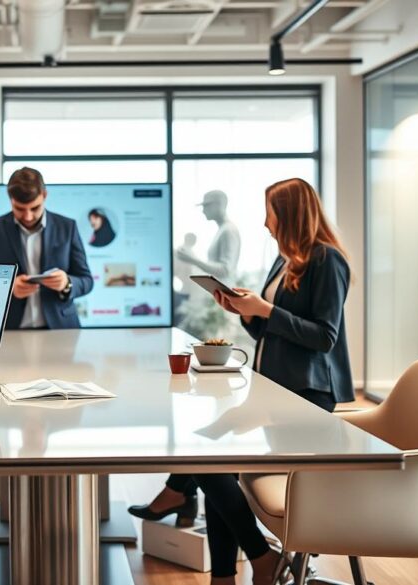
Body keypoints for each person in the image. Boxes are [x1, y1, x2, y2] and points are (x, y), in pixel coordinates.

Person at [129, 177, 353, 585]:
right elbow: (270, 332)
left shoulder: (328, 260)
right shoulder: (285, 260)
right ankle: (228, 571)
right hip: (277, 389)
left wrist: (265, 309)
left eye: (269, 212)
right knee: (210, 455)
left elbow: (325, 337)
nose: (265, 223)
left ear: (288, 215)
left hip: (307, 397)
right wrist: (245, 312)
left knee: (211, 461)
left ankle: (253, 557)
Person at [0, 167, 94, 502]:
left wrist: (67, 283)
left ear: (45, 197)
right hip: (10, 334)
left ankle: (54, 473)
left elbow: (86, 278)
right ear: (10, 201)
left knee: (57, 406)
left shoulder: (67, 226)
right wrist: (7, 288)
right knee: (3, 409)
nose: (26, 216)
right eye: (19, 210)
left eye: (33, 209)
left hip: (59, 335)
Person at [176, 189, 241, 280]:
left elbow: (225, 270)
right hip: (219, 291)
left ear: (219, 205)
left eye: (206, 205)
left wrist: (193, 259)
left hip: (224, 292)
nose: (203, 210)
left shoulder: (228, 230)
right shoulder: (223, 229)